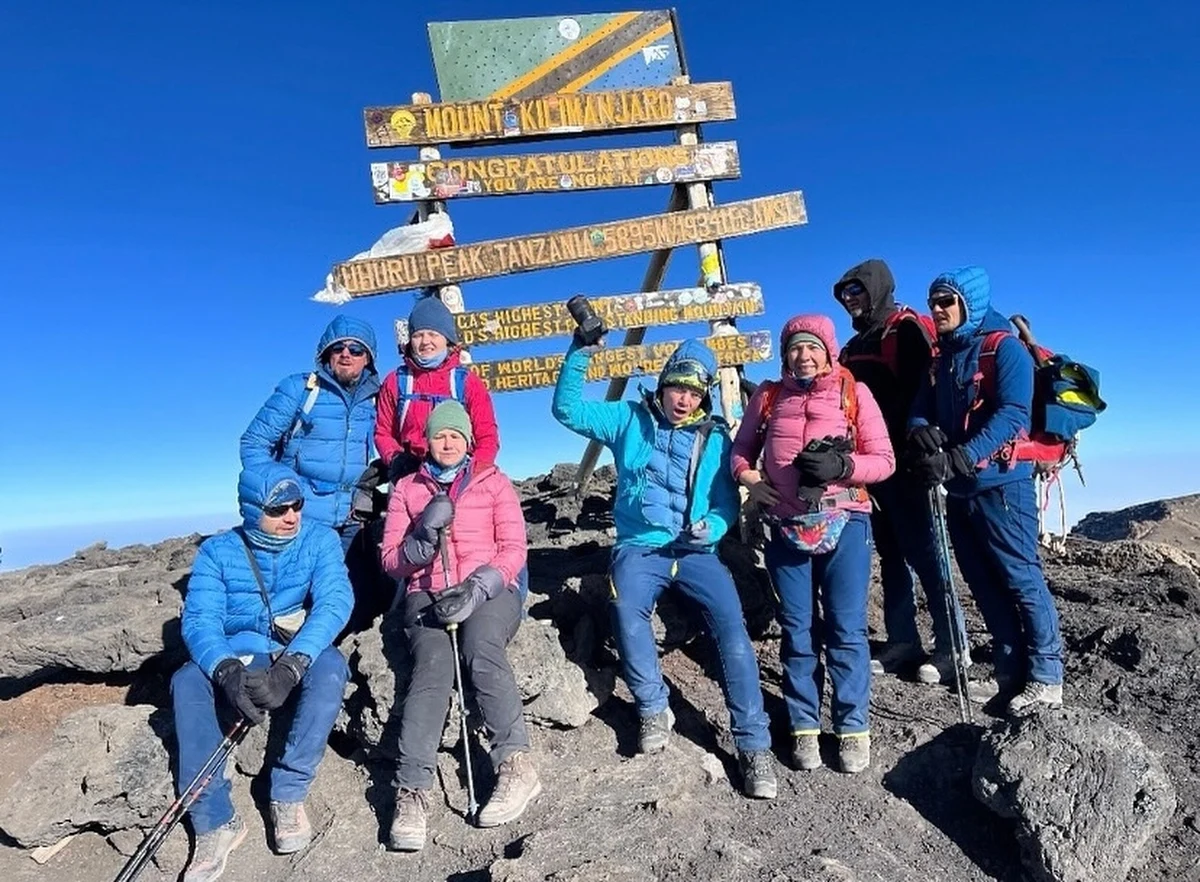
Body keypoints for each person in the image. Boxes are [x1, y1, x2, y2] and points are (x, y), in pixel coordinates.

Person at [552, 329, 777, 800]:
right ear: (663, 383)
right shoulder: (628, 419)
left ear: (705, 395)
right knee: (627, 610)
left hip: (697, 552)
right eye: (679, 387)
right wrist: (579, 355)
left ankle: (753, 744)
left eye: (695, 392)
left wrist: (713, 529)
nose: (684, 399)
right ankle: (654, 709)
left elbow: (724, 503)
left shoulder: (714, 437)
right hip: (641, 547)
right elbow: (567, 409)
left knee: (731, 628)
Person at [172, 463, 352, 882]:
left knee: (330, 669)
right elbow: (200, 621)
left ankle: (288, 792)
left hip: (289, 648)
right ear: (251, 509)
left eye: (297, 505)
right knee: (186, 682)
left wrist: (292, 665)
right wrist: (226, 670)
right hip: (237, 652)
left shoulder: (319, 541)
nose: (291, 516)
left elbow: (334, 602)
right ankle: (214, 819)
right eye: (278, 509)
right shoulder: (217, 552)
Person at [731, 314, 895, 774]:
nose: (803, 357)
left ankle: (852, 728)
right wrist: (749, 479)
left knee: (845, 629)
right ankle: (804, 727)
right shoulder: (767, 397)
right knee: (798, 630)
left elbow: (884, 460)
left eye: (812, 348)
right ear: (785, 354)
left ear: (828, 351)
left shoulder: (853, 392)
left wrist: (842, 468)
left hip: (846, 520)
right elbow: (741, 448)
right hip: (786, 524)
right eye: (794, 349)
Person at [379, 401, 537, 851]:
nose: (447, 443)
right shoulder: (407, 489)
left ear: (468, 440)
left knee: (480, 644)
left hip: (489, 589)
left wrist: (478, 588)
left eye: (456, 435)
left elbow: (513, 548)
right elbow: (391, 562)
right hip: (425, 594)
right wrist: (423, 537)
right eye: (439, 435)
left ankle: (515, 766)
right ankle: (412, 790)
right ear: (426, 441)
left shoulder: (493, 482)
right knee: (432, 667)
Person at [907, 266, 1064, 714]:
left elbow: (1013, 415)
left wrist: (959, 456)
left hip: (1002, 485)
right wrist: (920, 431)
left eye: (946, 302)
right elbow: (920, 408)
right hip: (959, 490)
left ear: (969, 303)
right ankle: (1011, 677)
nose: (937, 310)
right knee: (982, 581)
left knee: (1019, 577)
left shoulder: (1004, 349)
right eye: (934, 301)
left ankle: (1047, 677)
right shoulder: (943, 356)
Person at [833, 259, 967, 683]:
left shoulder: (904, 329)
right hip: (871, 467)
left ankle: (952, 647)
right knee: (891, 554)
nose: (850, 299)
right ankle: (903, 641)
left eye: (857, 290)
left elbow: (925, 393)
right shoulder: (853, 347)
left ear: (877, 289)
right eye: (845, 293)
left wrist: (924, 443)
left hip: (909, 463)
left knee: (926, 554)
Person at [239, 315, 386, 633]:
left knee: (353, 606)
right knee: (294, 609)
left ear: (368, 359)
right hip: (303, 518)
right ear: (325, 354)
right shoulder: (301, 389)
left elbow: (390, 442)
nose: (347, 354)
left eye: (356, 349)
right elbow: (254, 444)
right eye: (338, 348)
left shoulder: (376, 400)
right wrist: (280, 495)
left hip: (352, 520)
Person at [375, 295, 500, 481]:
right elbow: (383, 432)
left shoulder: (467, 382)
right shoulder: (396, 381)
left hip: (459, 473)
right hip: (409, 475)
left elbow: (487, 436)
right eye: (417, 335)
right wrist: (395, 458)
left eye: (433, 334)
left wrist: (476, 472)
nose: (425, 341)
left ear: (447, 339)